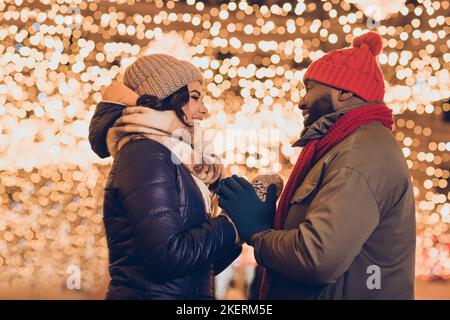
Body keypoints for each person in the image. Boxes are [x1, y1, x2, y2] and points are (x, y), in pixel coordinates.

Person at [216, 31, 416, 299]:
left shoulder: (359, 155)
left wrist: (259, 233)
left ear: (344, 91)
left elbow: (317, 257)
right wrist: (272, 226)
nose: (301, 102)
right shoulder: (344, 147)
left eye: (310, 88)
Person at [88, 54, 241, 299]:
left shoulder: (175, 158)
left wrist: (238, 233)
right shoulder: (145, 154)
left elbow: (193, 268)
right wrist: (231, 225)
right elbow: (167, 257)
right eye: (194, 98)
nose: (203, 109)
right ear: (166, 99)